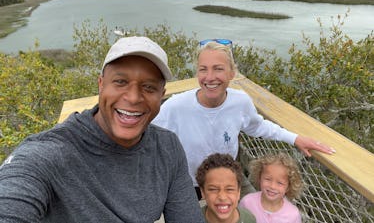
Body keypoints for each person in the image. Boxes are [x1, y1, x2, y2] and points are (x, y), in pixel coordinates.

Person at [0, 36, 205, 223]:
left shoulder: (167, 148)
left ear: (161, 94)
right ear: (101, 85)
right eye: (120, 82)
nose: (133, 97)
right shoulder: (49, 154)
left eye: (149, 87)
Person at [152, 39, 335, 199]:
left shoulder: (239, 102)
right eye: (203, 70)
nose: (210, 77)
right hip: (188, 185)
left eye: (218, 69)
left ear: (232, 73)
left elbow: (259, 126)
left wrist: (295, 138)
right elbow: (146, 133)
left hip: (228, 180)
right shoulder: (176, 106)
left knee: (252, 212)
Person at [239, 152, 304, 223]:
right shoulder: (247, 202)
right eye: (267, 179)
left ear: (288, 187)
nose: (272, 186)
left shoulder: (293, 215)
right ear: (259, 178)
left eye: (280, 183)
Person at [196, 153, 256, 223]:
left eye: (229, 189)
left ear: (238, 192)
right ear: (203, 192)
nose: (222, 197)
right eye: (213, 189)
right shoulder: (190, 218)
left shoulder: (248, 219)